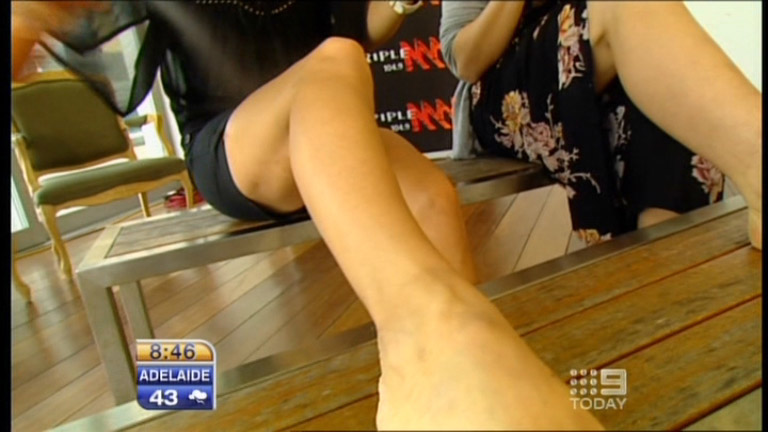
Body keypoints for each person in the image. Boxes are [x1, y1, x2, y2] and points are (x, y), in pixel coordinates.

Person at [12, 1, 604, 429]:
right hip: (236, 140)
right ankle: (433, 342)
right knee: (334, 61)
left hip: (326, 114)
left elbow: (358, 23)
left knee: (431, 196)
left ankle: (447, 374)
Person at [440, 1, 762, 249]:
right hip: (501, 92)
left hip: (592, 64)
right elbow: (466, 62)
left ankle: (671, 266)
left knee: (658, 89)